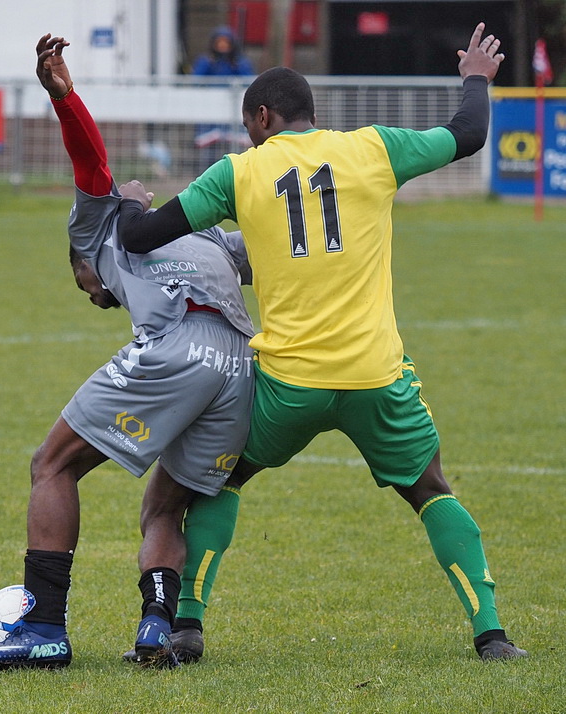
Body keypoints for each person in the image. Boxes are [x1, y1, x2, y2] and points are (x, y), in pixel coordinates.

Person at [116, 23, 527, 662]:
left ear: (261, 116)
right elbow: (468, 133)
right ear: (315, 115)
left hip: (287, 383)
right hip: (375, 374)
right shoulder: (372, 149)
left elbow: (146, 238)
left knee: (219, 482)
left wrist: (130, 205)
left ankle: (189, 628)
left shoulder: (238, 172)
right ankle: (492, 635)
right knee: (431, 491)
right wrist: (475, 75)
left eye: (250, 123)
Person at [0, 33, 255, 670]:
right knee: (165, 503)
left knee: (51, 464)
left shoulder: (97, 230)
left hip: (179, 349)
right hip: (239, 367)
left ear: (79, 257)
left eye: (82, 284)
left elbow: (90, 162)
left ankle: (42, 629)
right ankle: (156, 630)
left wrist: (65, 98)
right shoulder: (204, 233)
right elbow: (277, 258)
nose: (94, 295)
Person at [192, 26, 255, 171]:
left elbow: (249, 82)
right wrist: (209, 64)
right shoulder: (206, 61)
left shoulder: (240, 62)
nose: (222, 46)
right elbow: (196, 80)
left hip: (233, 116)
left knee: (235, 152)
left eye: (226, 42)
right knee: (209, 154)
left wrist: (236, 65)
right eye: (219, 42)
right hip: (210, 115)